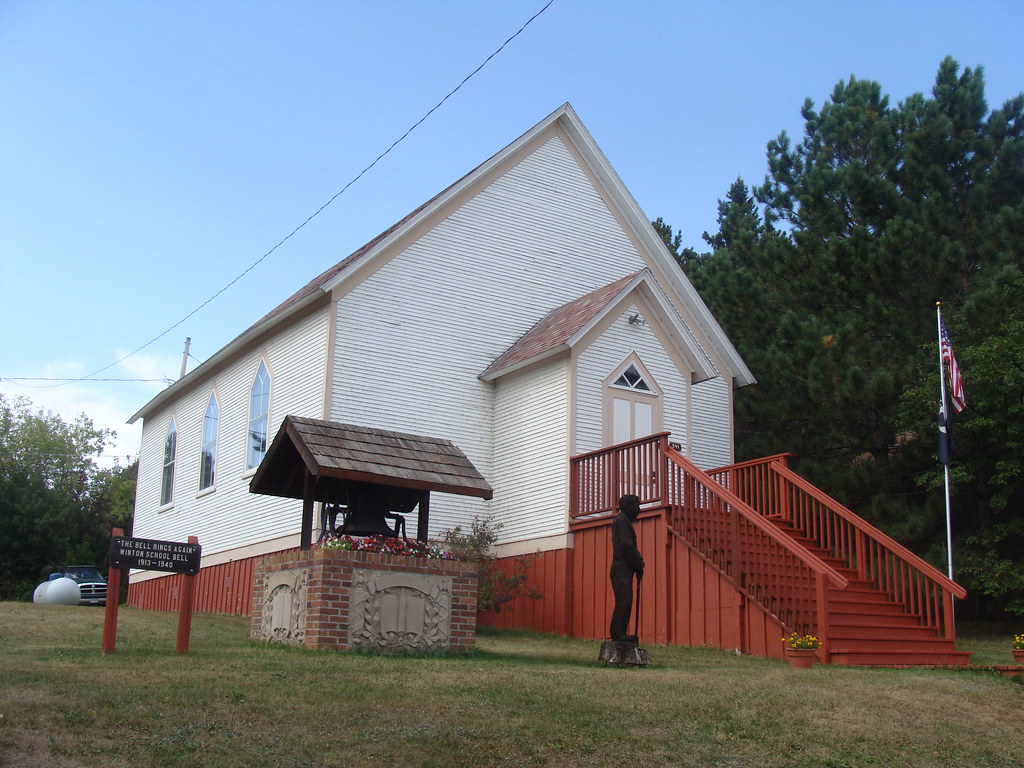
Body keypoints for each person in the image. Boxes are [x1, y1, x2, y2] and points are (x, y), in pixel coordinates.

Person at [609, 494, 645, 641]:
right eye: (637, 506)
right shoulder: (621, 521)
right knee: (624, 601)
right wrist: (638, 563)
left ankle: (620, 633)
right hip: (621, 569)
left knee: (626, 601)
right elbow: (627, 545)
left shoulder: (622, 521)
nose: (639, 510)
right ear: (629, 507)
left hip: (624, 570)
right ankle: (618, 634)